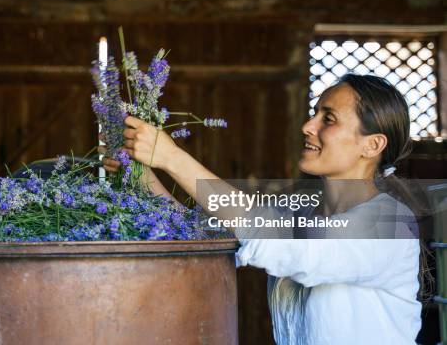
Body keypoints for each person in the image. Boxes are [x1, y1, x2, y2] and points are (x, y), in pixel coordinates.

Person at [101, 73, 426, 345]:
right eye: (314, 113)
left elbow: (270, 235)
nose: (307, 126)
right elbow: (201, 231)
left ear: (372, 145)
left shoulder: (389, 224)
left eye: (328, 118)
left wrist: (171, 157)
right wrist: (141, 174)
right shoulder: (302, 211)